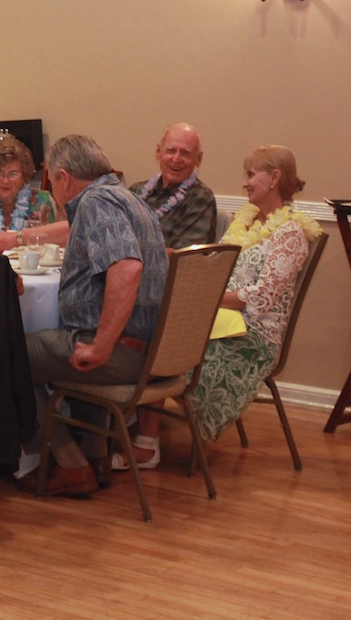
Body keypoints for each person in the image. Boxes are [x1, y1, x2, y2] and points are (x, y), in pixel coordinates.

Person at [112, 145, 321, 469]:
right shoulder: (247, 221)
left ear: (275, 178)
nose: (245, 183)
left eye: (251, 174)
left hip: (251, 338)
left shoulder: (290, 232)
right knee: (153, 328)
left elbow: (262, 298)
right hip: (224, 321)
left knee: (165, 344)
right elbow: (221, 272)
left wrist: (205, 300)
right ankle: (128, 433)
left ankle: (144, 445)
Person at [18, 134, 168, 496]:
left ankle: (70, 465)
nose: (53, 187)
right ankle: (95, 457)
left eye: (52, 180)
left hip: (125, 353)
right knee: (77, 333)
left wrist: (101, 346)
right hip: (150, 349)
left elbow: (127, 268)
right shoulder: (127, 198)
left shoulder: (97, 202)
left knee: (9, 352)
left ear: (65, 177)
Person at [130, 122, 217, 252]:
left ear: (198, 159)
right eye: (171, 151)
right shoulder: (135, 191)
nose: (176, 159)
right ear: (158, 152)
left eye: (185, 153)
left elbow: (182, 257)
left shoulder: (200, 198)